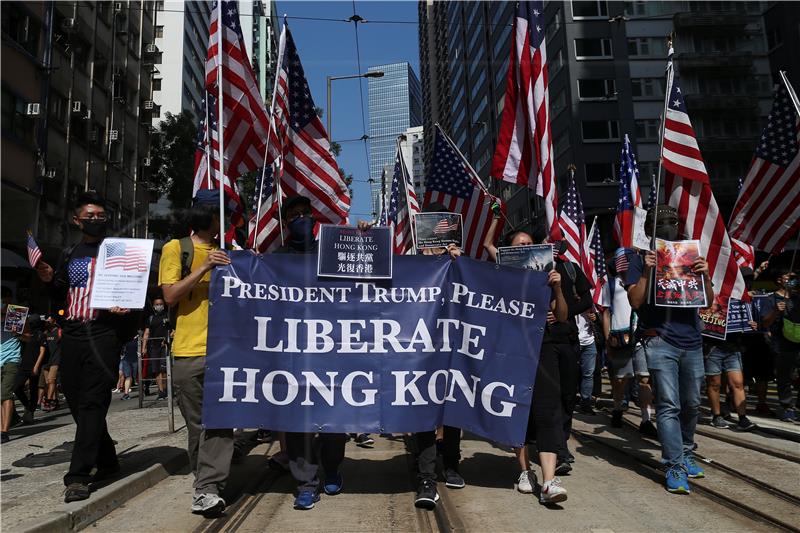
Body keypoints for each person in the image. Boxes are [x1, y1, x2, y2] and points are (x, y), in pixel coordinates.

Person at [35, 191, 136, 502]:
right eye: (89, 216)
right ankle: (107, 459)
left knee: (93, 401)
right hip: (74, 334)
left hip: (104, 333)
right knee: (78, 401)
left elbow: (133, 288)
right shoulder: (70, 253)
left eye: (100, 215)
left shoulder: (120, 250)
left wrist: (125, 309)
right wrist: (50, 280)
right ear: (76, 220)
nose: (96, 220)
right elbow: (62, 294)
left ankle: (78, 476)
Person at [626, 205, 715, 494]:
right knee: (669, 405)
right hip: (660, 341)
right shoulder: (639, 258)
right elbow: (636, 302)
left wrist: (705, 275)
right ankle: (674, 465)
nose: (668, 226)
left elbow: (707, 302)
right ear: (649, 227)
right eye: (660, 222)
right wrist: (647, 272)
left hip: (692, 340)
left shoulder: (689, 255)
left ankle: (687, 451)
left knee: (691, 404)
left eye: (672, 222)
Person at [483, 213, 570, 504]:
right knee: (518, 411)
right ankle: (524, 470)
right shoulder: (502, 275)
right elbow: (487, 245)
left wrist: (557, 287)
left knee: (547, 412)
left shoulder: (546, 278)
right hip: (511, 349)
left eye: (530, 244)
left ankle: (549, 481)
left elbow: (562, 317)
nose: (526, 247)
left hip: (542, 347)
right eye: (519, 245)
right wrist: (496, 216)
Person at [160, 189, 233, 516]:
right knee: (198, 425)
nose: (224, 220)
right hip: (189, 350)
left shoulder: (230, 252)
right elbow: (171, 295)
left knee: (218, 421)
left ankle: (207, 487)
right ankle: (207, 477)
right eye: (219, 213)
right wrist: (203, 267)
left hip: (226, 351)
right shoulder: (176, 249)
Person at [275, 195, 349, 511]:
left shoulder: (330, 253)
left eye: (305, 213)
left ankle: (331, 467)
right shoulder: (276, 259)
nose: (300, 219)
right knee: (298, 421)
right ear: (285, 222)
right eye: (294, 215)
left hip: (332, 351)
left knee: (334, 419)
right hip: (294, 354)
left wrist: (362, 237)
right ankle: (306, 482)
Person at [412, 202, 466, 510]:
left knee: (452, 407)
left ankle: (452, 463)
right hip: (420, 350)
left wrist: (456, 262)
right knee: (423, 410)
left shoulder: (459, 263)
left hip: (454, 347)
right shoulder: (412, 265)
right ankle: (426, 476)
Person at [603, 251, 656, 438]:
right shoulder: (610, 284)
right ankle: (617, 409)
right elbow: (606, 313)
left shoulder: (643, 279)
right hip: (620, 336)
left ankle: (646, 419)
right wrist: (607, 339)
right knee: (620, 379)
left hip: (640, 336)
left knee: (644, 379)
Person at [762, 270, 800, 422]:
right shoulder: (771, 299)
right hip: (782, 343)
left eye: (795, 278)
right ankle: (786, 407)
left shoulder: (797, 298)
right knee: (784, 376)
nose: (793, 280)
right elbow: (765, 322)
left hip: (798, 339)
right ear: (779, 280)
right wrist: (776, 311)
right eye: (789, 278)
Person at [1, 288, 23, 443]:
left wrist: (18, 333)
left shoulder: (16, 313)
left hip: (11, 358)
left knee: (5, 394)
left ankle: (4, 431)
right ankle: (1, 428)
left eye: (4, 298)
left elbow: (29, 337)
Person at [142, 297, 170, 400]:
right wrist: (144, 347)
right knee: (156, 370)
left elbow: (171, 330)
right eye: (157, 304)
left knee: (164, 369)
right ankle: (161, 392)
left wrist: (167, 339)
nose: (159, 306)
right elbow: (146, 332)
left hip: (164, 346)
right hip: (154, 346)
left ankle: (166, 390)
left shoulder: (167, 315)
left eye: (161, 304)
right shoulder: (150, 318)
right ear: (154, 306)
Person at [575, 309, 599, 415]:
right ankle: (568, 400)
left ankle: (586, 402)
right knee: (570, 372)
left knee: (588, 374)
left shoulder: (593, 296)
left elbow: (603, 312)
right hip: (573, 339)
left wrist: (596, 317)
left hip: (589, 340)